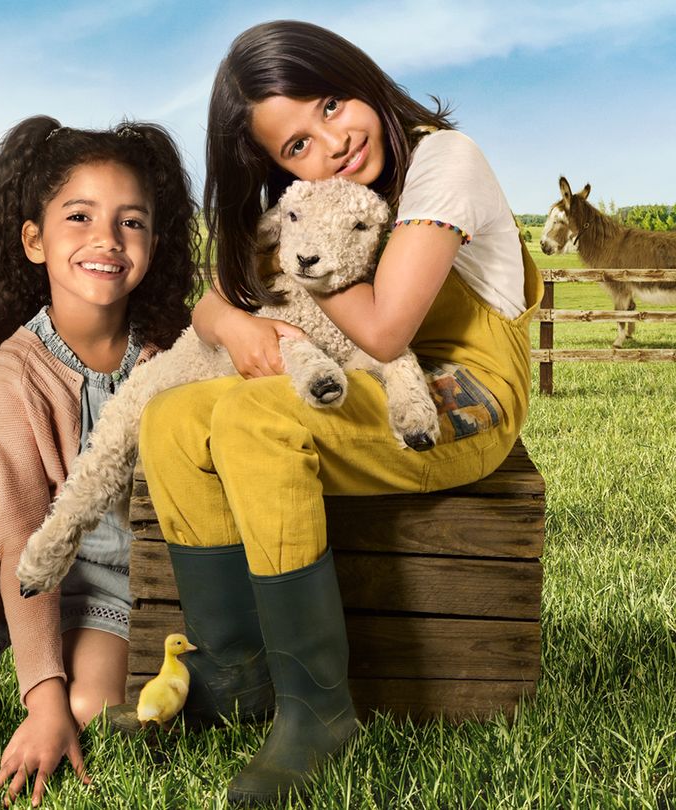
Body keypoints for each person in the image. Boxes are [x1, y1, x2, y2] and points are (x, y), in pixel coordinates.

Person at [137, 20, 543, 805]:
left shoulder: (440, 162)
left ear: (358, 75)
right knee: (176, 419)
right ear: (274, 167)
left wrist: (304, 254)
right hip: (370, 379)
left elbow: (389, 328)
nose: (332, 142)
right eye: (295, 148)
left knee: (260, 419)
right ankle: (232, 679)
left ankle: (319, 713)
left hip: (465, 391)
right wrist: (241, 324)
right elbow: (209, 310)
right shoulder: (319, 201)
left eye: (330, 103)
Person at [0, 115, 198, 806]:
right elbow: (23, 531)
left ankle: (53, 680)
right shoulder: (16, 371)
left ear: (154, 240)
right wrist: (40, 699)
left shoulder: (177, 357)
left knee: (91, 709)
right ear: (34, 239)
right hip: (22, 573)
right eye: (78, 216)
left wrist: (62, 704)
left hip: (119, 593)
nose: (107, 240)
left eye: (132, 221)